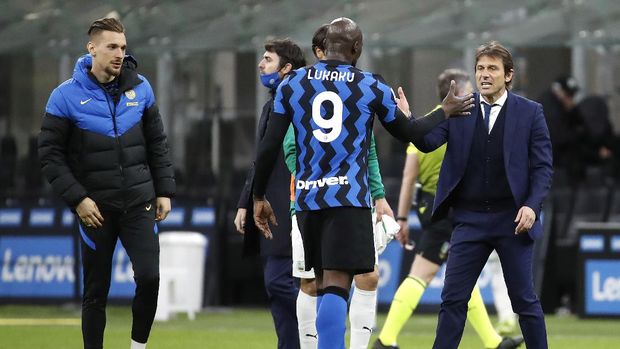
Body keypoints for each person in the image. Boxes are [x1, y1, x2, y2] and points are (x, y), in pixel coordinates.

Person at [251, 17, 474, 349]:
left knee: (322, 284)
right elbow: (413, 135)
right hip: (349, 198)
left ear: (323, 47)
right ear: (357, 49)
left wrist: (258, 197)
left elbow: (269, 146)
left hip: (309, 201)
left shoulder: (292, 83)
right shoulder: (371, 86)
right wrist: (444, 110)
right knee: (339, 285)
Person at [38, 17, 175, 349]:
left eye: (123, 47)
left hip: (139, 202)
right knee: (95, 292)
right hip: (95, 209)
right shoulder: (64, 97)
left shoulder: (141, 87)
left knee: (149, 277)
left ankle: (137, 347)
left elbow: (157, 142)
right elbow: (49, 155)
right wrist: (79, 200)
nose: (119, 53)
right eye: (112, 46)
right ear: (92, 49)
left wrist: (165, 190)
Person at [412, 41, 552, 349]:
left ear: (508, 75)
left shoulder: (531, 113)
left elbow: (543, 168)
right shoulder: (460, 109)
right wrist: (406, 120)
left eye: (492, 68)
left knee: (524, 302)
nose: (484, 75)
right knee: (452, 300)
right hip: (469, 220)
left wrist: (531, 206)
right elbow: (425, 142)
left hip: (512, 220)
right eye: (480, 68)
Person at [373, 69, 523, 349]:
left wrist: (404, 216)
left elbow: (409, 176)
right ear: (457, 92)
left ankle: (493, 342)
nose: (473, 95)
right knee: (424, 273)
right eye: (469, 90)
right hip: (448, 208)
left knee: (460, 273)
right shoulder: (457, 124)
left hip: (427, 205)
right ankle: (385, 338)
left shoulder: (428, 121)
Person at [287, 23, 393, 349]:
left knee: (351, 278)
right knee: (314, 282)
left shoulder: (299, 88)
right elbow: (291, 149)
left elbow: (369, 152)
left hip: (323, 197)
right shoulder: (320, 90)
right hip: (326, 198)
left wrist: (378, 195)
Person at [233, 38, 306, 349]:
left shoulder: (304, 104)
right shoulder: (270, 105)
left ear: (286, 68)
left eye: (267, 60)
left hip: (297, 205)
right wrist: (245, 202)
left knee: (280, 282)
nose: (261, 65)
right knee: (277, 289)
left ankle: (319, 322)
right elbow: (260, 159)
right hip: (270, 205)